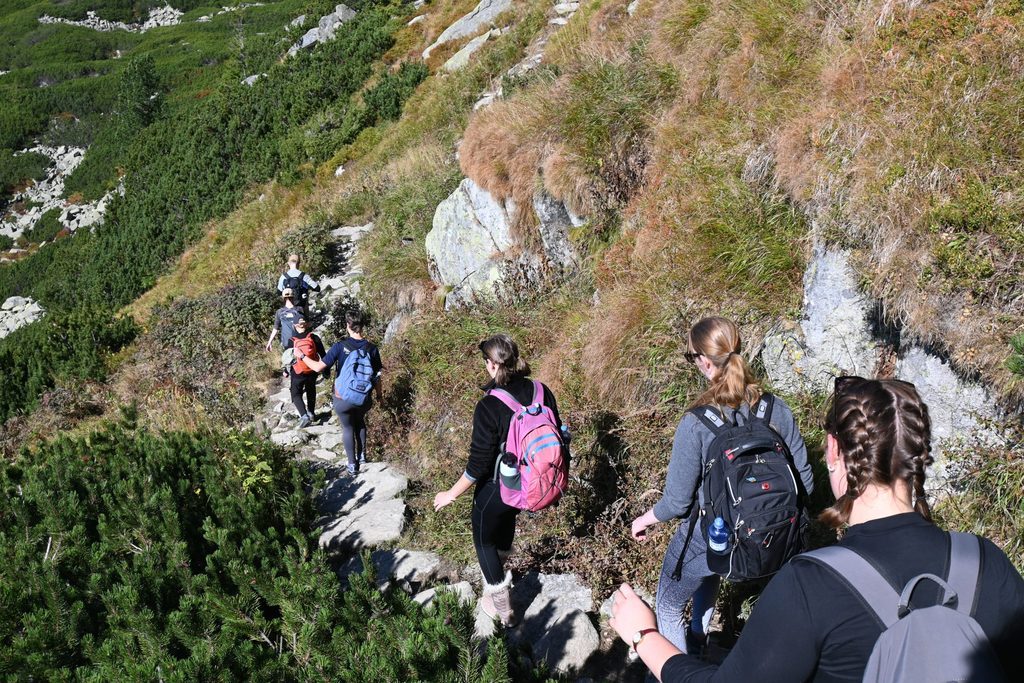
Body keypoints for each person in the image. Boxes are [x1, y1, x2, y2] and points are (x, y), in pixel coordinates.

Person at [610, 377, 1024, 681]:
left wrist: (643, 634)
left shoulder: (811, 584)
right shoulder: (986, 560)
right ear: (918, 455)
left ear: (832, 451)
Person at [628, 316, 813, 655]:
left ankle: (677, 669)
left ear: (705, 361)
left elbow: (678, 503)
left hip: (714, 537)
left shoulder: (697, 422)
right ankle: (700, 639)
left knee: (668, 605)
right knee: (707, 570)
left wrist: (642, 520)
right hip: (776, 539)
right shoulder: (776, 409)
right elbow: (806, 484)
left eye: (692, 357)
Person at [432, 334, 562, 626]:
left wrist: (451, 494)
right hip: (532, 482)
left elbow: (478, 465)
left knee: (483, 539)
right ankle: (500, 574)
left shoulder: (489, 405)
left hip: (499, 486)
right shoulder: (542, 391)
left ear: (491, 365)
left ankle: (502, 608)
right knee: (504, 523)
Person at [294, 309, 382, 475]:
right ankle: (362, 456)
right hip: (364, 397)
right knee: (360, 421)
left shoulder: (340, 346)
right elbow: (377, 377)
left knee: (348, 427)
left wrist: (302, 356)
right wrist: (379, 396)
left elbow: (319, 367)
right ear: (362, 326)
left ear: (348, 326)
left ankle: (352, 465)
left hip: (343, 398)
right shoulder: (372, 349)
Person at [284, 317, 325, 428]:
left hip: (298, 371)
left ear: (295, 326)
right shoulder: (314, 337)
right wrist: (325, 370)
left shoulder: (291, 340)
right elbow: (323, 355)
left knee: (295, 393)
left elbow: (288, 358)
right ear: (306, 325)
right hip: (312, 369)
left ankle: (304, 416)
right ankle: (311, 413)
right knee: (311, 390)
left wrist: (285, 370)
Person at [266, 288, 304, 375]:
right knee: (300, 361)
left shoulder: (279, 312)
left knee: (289, 362)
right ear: (293, 297)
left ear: (283, 298)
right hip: (299, 341)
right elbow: (305, 326)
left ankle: (288, 373)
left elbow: (276, 328)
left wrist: (270, 342)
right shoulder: (299, 309)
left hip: (286, 341)